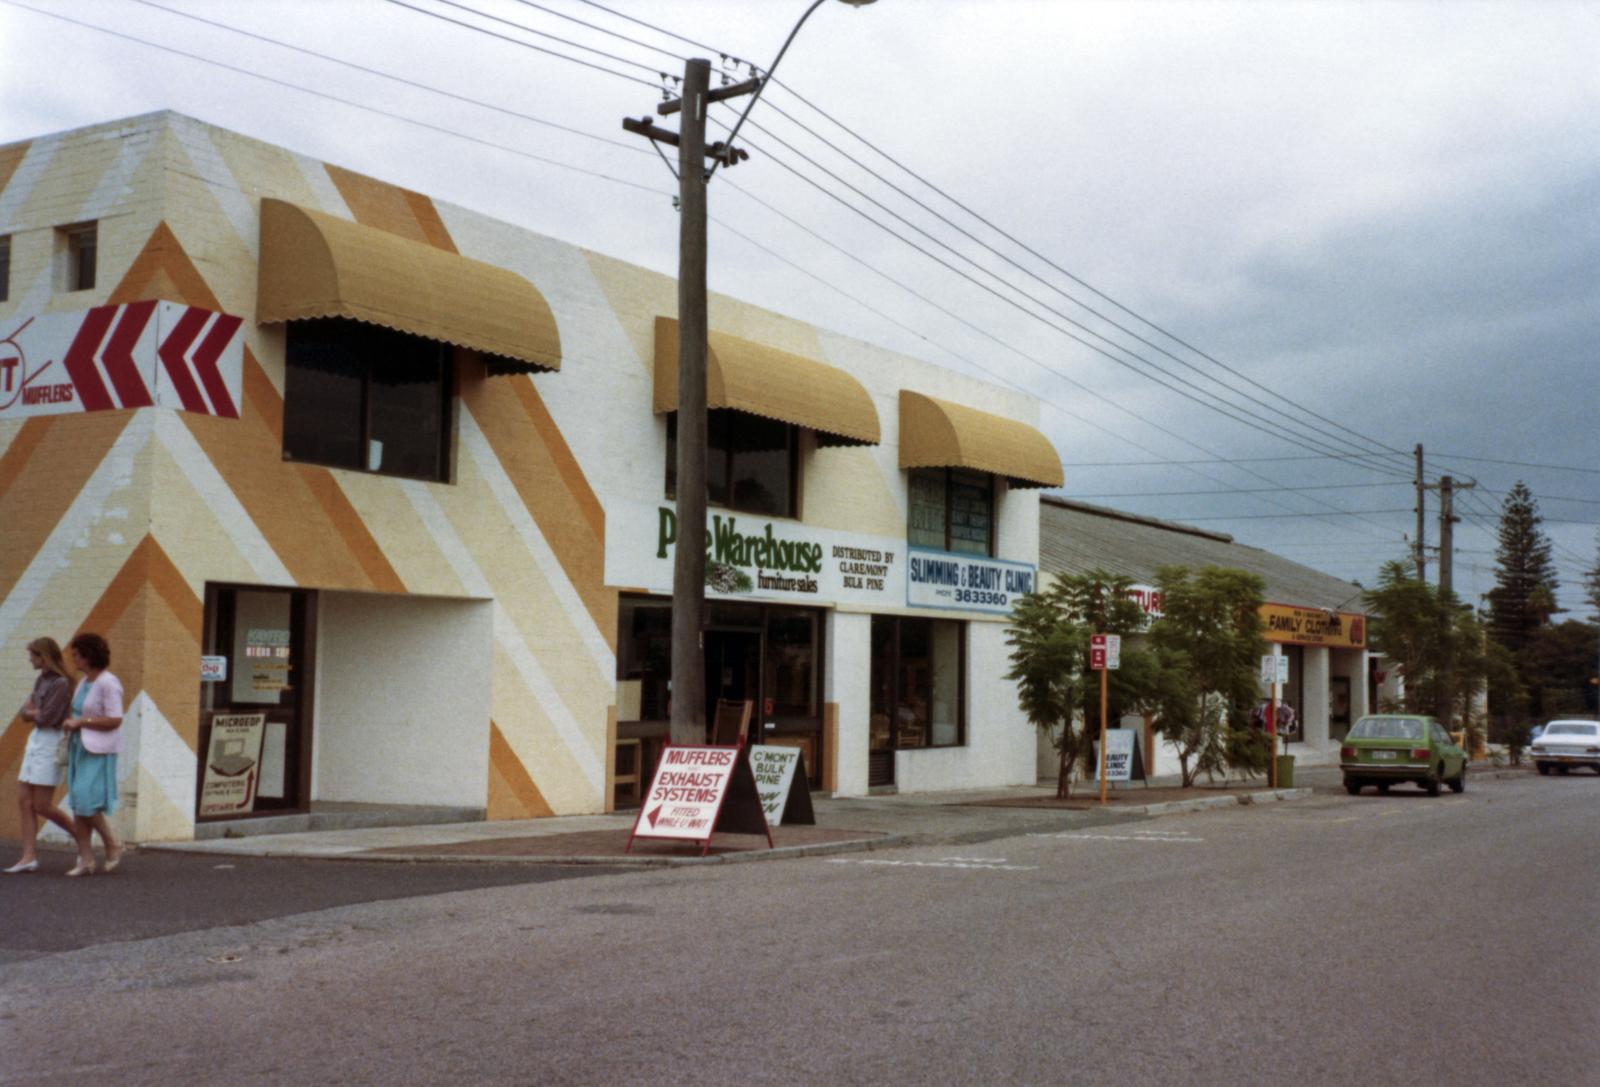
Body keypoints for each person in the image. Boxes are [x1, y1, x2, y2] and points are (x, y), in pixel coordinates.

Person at [4, 638, 78, 874]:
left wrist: (33, 712)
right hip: (36, 740)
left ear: (44, 657)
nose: (30, 660)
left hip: (50, 742)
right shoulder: (41, 680)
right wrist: (34, 712)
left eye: (34, 656)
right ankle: (28, 857)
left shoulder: (61, 683)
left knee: (42, 805)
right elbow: (24, 712)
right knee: (24, 801)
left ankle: (82, 838)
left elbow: (46, 717)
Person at [60, 632, 124, 877]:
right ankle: (85, 859)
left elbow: (115, 719)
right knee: (77, 803)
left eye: (76, 655)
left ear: (88, 656)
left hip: (99, 748)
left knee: (85, 799)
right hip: (80, 746)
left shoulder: (109, 682)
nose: (73, 659)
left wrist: (81, 723)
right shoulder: (84, 682)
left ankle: (111, 842)